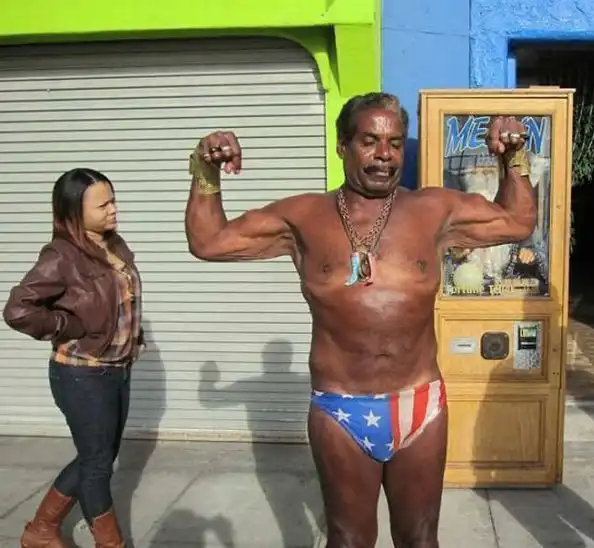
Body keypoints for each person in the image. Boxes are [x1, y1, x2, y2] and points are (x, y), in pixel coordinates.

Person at [184, 92, 536, 547]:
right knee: (349, 539)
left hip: (420, 404)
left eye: (395, 143)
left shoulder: (432, 210)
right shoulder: (303, 217)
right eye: (369, 141)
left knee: (420, 539)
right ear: (342, 146)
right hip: (342, 409)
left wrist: (513, 156)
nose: (384, 154)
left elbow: (516, 222)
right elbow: (209, 241)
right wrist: (205, 170)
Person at [3, 168, 144, 548]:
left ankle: (40, 530)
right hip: (82, 374)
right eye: (103, 205)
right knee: (97, 466)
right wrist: (66, 324)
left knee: (97, 457)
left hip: (117, 370)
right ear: (74, 211)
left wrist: (135, 339)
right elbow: (18, 310)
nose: (114, 209)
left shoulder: (114, 245)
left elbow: (122, 302)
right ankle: (110, 543)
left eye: (113, 200)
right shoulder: (61, 256)